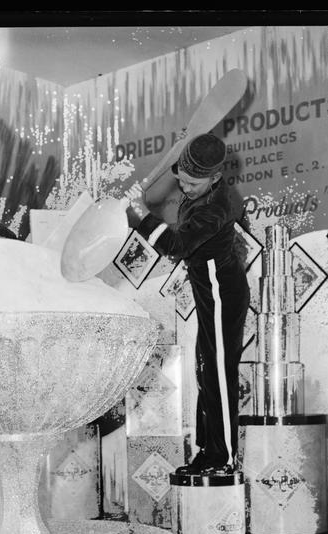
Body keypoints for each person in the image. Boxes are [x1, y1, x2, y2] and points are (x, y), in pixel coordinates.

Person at [131, 133, 250, 476]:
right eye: (180, 179)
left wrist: (140, 215)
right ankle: (208, 452)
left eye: (193, 182)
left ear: (214, 178)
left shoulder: (217, 205)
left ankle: (224, 459)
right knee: (204, 370)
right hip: (208, 290)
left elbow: (177, 245)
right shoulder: (201, 189)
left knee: (218, 373)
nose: (184, 187)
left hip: (222, 293)